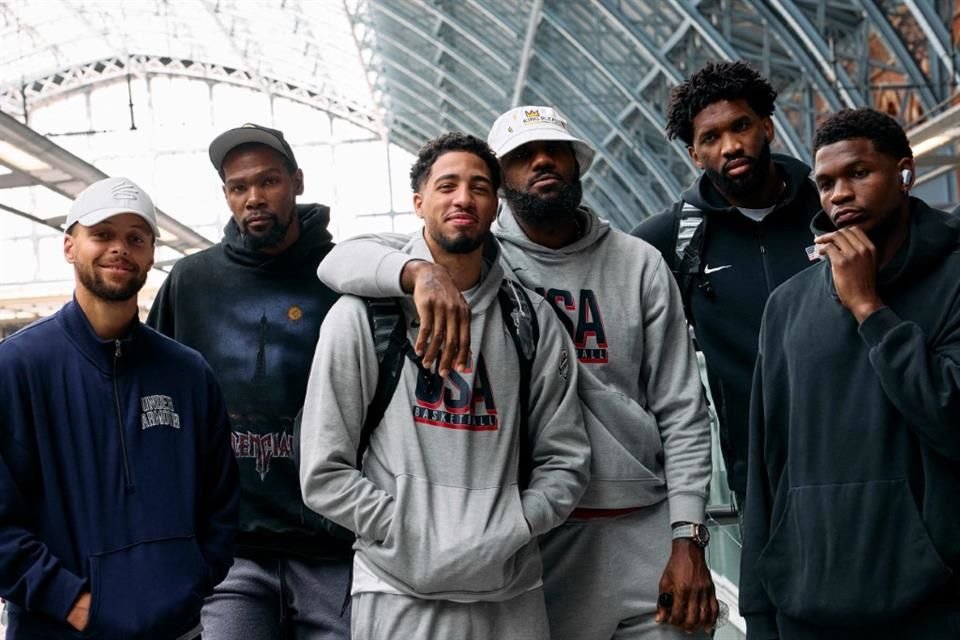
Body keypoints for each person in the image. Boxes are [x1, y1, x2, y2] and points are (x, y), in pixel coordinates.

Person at [316, 107, 717, 637]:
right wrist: (419, 273)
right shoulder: (479, 252)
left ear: (579, 163)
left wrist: (688, 532)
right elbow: (338, 260)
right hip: (535, 545)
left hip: (639, 521)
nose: (543, 161)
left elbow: (683, 408)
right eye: (522, 155)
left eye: (556, 149)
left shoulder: (639, 264)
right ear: (503, 182)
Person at [298, 132, 590, 640]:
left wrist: (514, 525)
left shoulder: (533, 322)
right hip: (397, 594)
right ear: (419, 203)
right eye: (447, 185)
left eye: (480, 187)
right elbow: (323, 471)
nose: (463, 198)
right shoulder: (362, 319)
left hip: (511, 593)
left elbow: (566, 461)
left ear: (496, 204)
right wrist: (403, 529)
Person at [740, 108, 960, 639]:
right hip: (807, 602)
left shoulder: (953, 277)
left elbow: (952, 418)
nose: (840, 194)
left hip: (935, 603)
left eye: (859, 173)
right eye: (826, 183)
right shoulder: (787, 304)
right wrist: (759, 607)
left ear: (905, 173)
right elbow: (768, 462)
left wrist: (869, 309)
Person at [0, 177, 238, 639]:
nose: (119, 248)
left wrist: (190, 583)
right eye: (102, 234)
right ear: (70, 246)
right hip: (58, 631)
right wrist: (72, 602)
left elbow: (221, 498)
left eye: (135, 238)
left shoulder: (187, 373)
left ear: (151, 254)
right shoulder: (17, 368)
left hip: (176, 630)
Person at [147, 124, 350, 639]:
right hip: (231, 552)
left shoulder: (342, 276)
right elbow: (149, 396)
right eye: (239, 187)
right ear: (226, 195)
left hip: (331, 547)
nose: (254, 197)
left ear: (296, 182)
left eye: (269, 181)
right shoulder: (191, 282)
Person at [632, 61, 821, 511]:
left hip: (860, 452)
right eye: (710, 138)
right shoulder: (674, 238)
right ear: (695, 155)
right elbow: (579, 257)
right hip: (757, 474)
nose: (731, 146)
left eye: (741, 126)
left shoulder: (827, 209)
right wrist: (427, 263)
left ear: (768, 127)